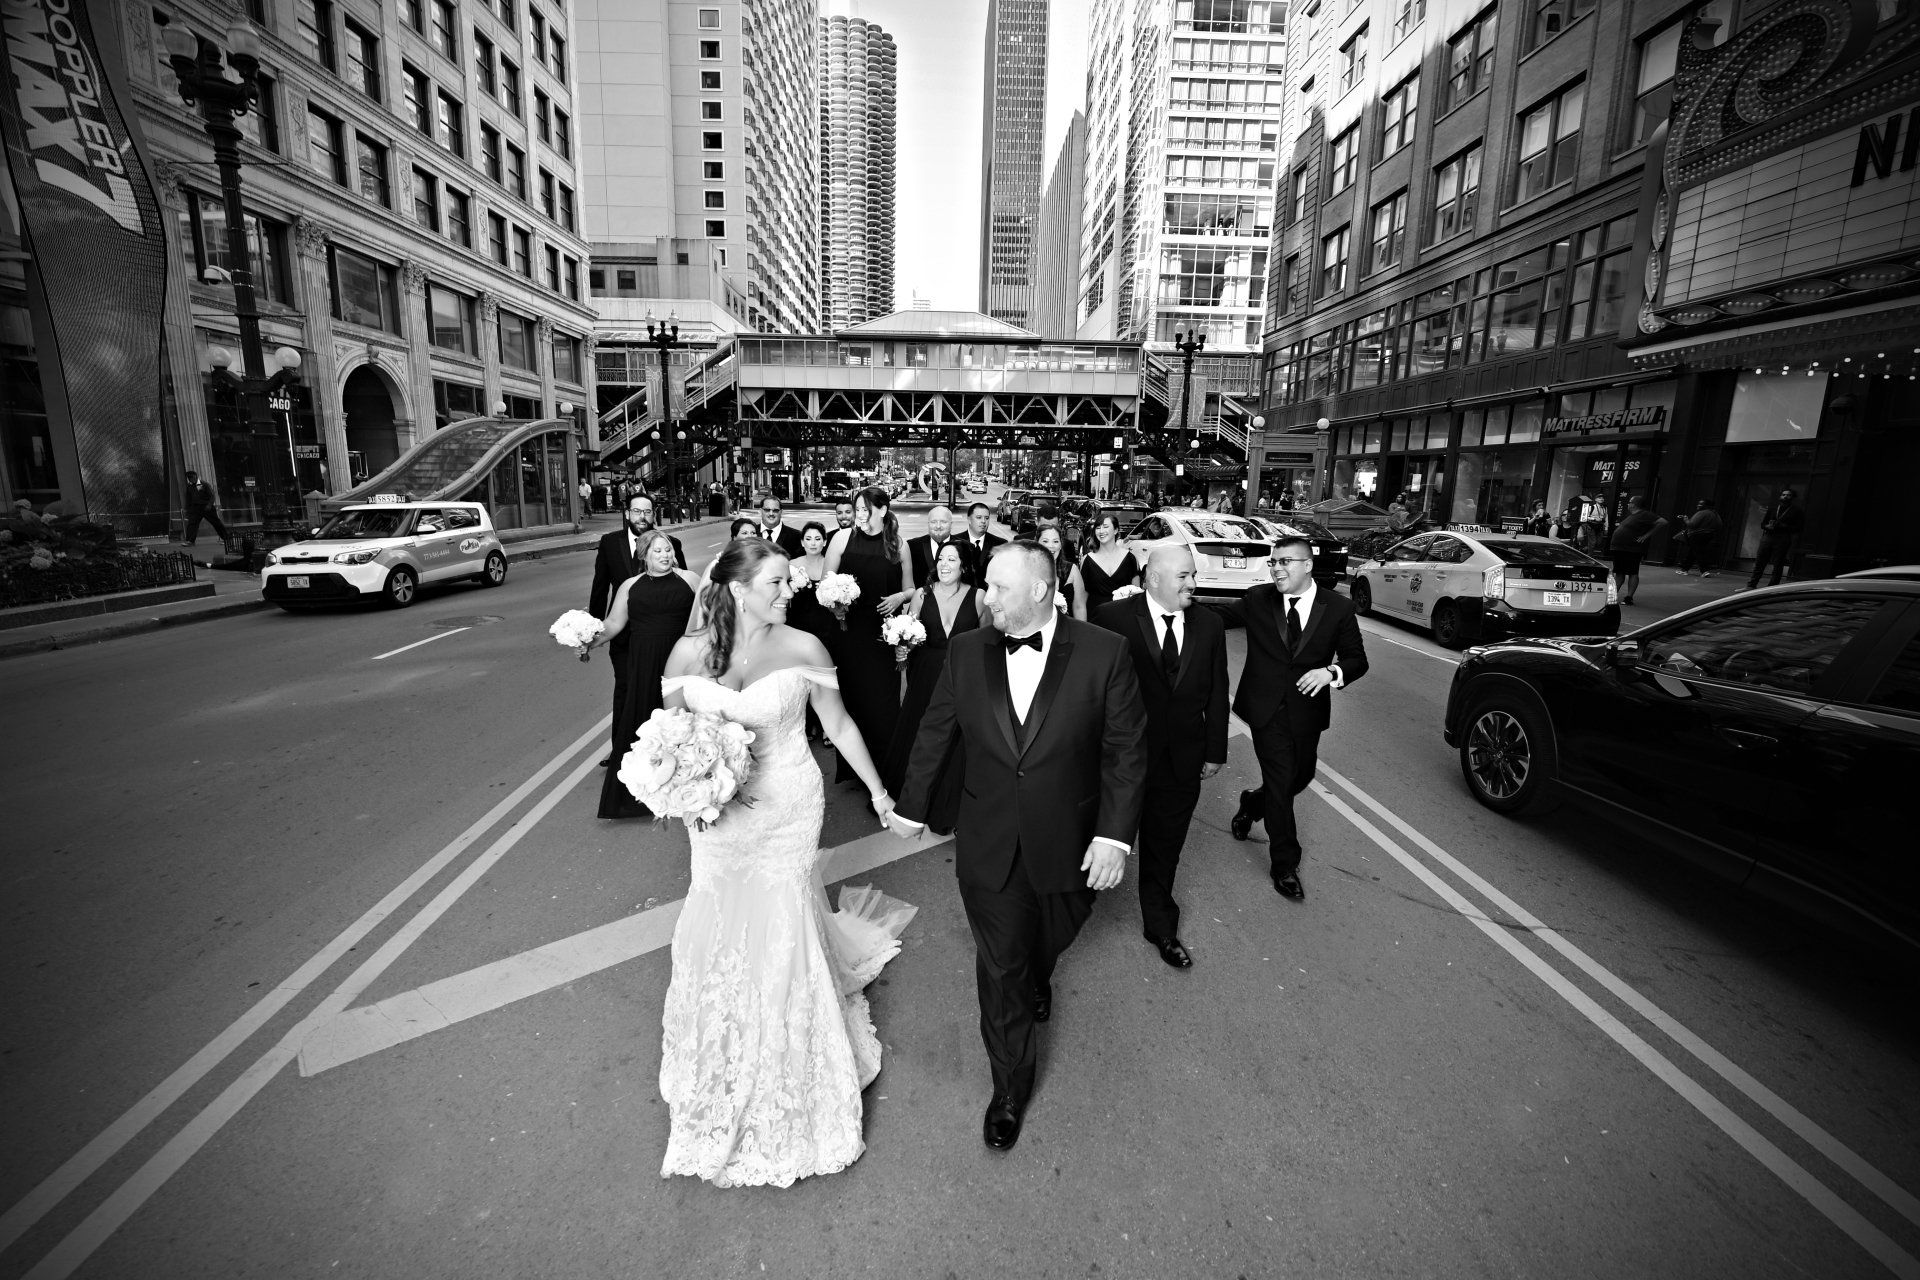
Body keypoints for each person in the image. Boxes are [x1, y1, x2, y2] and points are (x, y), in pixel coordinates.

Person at [655, 539, 912, 1187]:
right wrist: (685, 788)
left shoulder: (805, 647)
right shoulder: (689, 653)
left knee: (780, 924)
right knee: (720, 926)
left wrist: (880, 793)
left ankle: (789, 1066)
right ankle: (727, 1051)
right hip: (718, 819)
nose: (786, 591)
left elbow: (841, 724)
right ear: (738, 589)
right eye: (774, 582)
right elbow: (672, 734)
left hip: (787, 809)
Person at [888, 541, 1146, 1151]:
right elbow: (935, 732)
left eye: (1000, 587)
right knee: (1001, 967)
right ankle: (1008, 1088)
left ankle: (1039, 971)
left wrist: (1113, 837)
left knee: (1046, 942)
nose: (988, 597)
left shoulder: (1104, 652)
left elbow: (1126, 751)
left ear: (1038, 589)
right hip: (991, 841)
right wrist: (910, 806)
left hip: (1073, 842)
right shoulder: (966, 650)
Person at [1093, 546, 1228, 969]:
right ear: (1152, 579)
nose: (1192, 584)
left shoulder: (1210, 624)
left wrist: (1215, 750)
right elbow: (1090, 692)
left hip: (1181, 760)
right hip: (1120, 762)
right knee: (1098, 839)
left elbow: (1217, 691)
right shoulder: (1111, 619)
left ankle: (1161, 926)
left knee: (1165, 846)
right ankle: (1068, 917)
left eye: (1193, 576)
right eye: (1183, 577)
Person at [1226, 537, 1369, 901]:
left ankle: (1250, 804)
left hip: (1307, 712)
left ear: (1307, 565)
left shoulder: (1337, 608)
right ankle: (1285, 865)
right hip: (1265, 710)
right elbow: (1214, 616)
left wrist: (1330, 672)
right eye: (1273, 562)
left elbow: (1357, 659)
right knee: (1279, 785)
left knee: (1300, 776)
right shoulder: (1258, 599)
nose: (1276, 568)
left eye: (1285, 561)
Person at [583, 531, 701, 818]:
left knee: (682, 726)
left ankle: (690, 794)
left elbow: (707, 618)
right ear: (644, 554)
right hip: (643, 663)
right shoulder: (629, 586)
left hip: (680, 661)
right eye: (658, 550)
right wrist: (588, 641)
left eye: (668, 550)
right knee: (641, 725)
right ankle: (637, 798)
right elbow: (612, 624)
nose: (665, 555)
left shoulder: (690, 580)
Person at [881, 540, 988, 816]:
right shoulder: (921, 595)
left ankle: (949, 801)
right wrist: (903, 646)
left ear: (964, 565)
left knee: (956, 739)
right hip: (926, 676)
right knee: (922, 733)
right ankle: (911, 796)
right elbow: (908, 633)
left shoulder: (978, 597)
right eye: (941, 558)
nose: (944, 564)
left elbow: (988, 644)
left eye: (952, 559)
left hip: (963, 678)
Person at [824, 486, 914, 785]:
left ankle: (886, 771)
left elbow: (911, 588)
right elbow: (825, 586)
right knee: (852, 700)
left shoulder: (899, 545)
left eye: (864, 509)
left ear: (883, 511)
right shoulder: (841, 538)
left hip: (882, 637)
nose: (858, 515)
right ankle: (855, 770)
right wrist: (836, 601)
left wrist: (899, 597)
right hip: (848, 634)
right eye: (856, 509)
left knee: (883, 703)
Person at [589, 494, 686, 765]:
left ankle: (668, 751)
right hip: (624, 636)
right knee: (627, 691)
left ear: (654, 514)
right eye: (637, 511)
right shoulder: (610, 543)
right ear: (628, 513)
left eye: (647, 511)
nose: (642, 516)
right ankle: (622, 748)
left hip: (666, 637)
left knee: (664, 692)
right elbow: (600, 587)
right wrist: (590, 631)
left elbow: (686, 593)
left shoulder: (672, 544)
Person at [1608, 495, 1668, 606]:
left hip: (1631, 548)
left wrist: (1646, 535)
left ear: (1634, 504)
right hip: (1621, 548)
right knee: (1619, 572)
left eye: (1630, 502)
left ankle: (1629, 597)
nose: (1628, 504)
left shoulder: (1645, 514)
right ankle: (1612, 596)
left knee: (1632, 572)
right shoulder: (1632, 515)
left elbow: (1663, 522)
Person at [1078, 514, 1141, 616]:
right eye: (1098, 528)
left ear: (1116, 530)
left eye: (1106, 527)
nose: (1101, 531)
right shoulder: (1087, 560)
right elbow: (1082, 598)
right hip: (1095, 619)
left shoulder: (1130, 558)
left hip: (1122, 618)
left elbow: (1136, 595)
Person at [1746, 487, 1804, 589]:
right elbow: (1763, 524)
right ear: (1780, 496)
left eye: (1788, 495)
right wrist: (1766, 526)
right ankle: (1751, 585)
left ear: (1792, 497)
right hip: (1768, 536)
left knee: (1778, 564)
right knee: (1760, 561)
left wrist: (1782, 526)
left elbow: (1798, 528)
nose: (1785, 497)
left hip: (1783, 538)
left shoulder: (1797, 511)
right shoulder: (1773, 508)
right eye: (1783, 495)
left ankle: (1772, 588)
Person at [1036, 525, 1085, 621]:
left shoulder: (1072, 570)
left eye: (1055, 541)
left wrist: (1081, 634)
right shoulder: (1027, 570)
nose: (1051, 546)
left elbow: (1079, 607)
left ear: (1060, 545)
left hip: (1067, 629)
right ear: (1037, 543)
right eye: (1045, 541)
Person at [907, 504, 958, 587]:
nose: (938, 526)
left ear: (951, 524)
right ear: (928, 524)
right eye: (933, 522)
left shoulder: (965, 547)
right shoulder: (912, 546)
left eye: (943, 522)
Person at [1675, 498, 1725, 577]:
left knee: (1698, 553)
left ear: (1707, 506)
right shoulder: (1715, 514)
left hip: (1696, 535)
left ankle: (1704, 571)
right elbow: (1720, 525)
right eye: (1698, 503)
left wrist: (1686, 519)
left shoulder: (1701, 513)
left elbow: (1692, 524)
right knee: (1693, 552)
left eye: (1701, 504)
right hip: (1709, 535)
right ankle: (1684, 569)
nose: (1698, 505)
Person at [181, 470, 230, 548]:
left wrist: (209, 505)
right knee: (192, 524)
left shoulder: (204, 484)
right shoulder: (189, 487)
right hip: (196, 508)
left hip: (207, 507)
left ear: (195, 476)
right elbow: (188, 499)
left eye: (191, 477)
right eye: (188, 478)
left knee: (216, 523)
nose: (190, 479)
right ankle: (190, 541)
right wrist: (188, 510)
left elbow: (212, 496)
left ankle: (227, 539)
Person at [957, 501, 1005, 572]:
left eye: (987, 518)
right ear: (969, 520)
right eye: (979, 517)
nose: (983, 521)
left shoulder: (1000, 544)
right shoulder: (956, 541)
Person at [755, 491, 805, 557]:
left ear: (781, 512)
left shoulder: (797, 537)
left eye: (775, 510)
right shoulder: (751, 533)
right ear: (760, 511)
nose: (771, 514)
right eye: (767, 510)